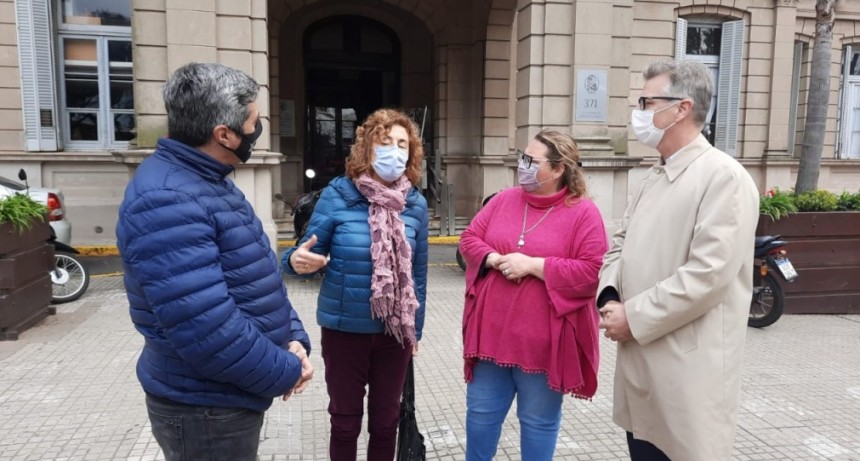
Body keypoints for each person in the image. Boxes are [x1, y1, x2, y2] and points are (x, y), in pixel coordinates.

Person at [116, 63, 313, 461]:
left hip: (225, 397)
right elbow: (205, 328)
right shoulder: (168, 198)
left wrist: (293, 337)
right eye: (253, 123)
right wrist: (285, 369)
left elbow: (254, 277)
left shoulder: (207, 179)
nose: (258, 131)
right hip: (205, 409)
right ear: (224, 134)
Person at [597, 59, 760, 461]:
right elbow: (619, 245)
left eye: (647, 102)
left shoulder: (724, 177)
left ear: (682, 108)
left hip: (687, 374)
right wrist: (610, 296)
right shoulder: (654, 177)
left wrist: (633, 316)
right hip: (642, 367)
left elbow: (707, 276)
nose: (639, 113)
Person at [282, 108, 429, 461]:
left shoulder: (415, 204)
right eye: (385, 142)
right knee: (345, 423)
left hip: (395, 334)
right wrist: (296, 262)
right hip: (345, 331)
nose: (395, 151)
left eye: (402, 144)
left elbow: (419, 274)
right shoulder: (338, 195)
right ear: (367, 148)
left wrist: (416, 332)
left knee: (386, 424)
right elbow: (303, 253)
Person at [459, 130, 608, 461]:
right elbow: (469, 239)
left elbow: (592, 271)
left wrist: (534, 265)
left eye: (531, 160)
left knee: (538, 423)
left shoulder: (583, 213)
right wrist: (493, 258)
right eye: (521, 157)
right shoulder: (504, 199)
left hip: (543, 347)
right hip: (490, 339)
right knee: (480, 418)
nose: (521, 165)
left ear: (558, 169)